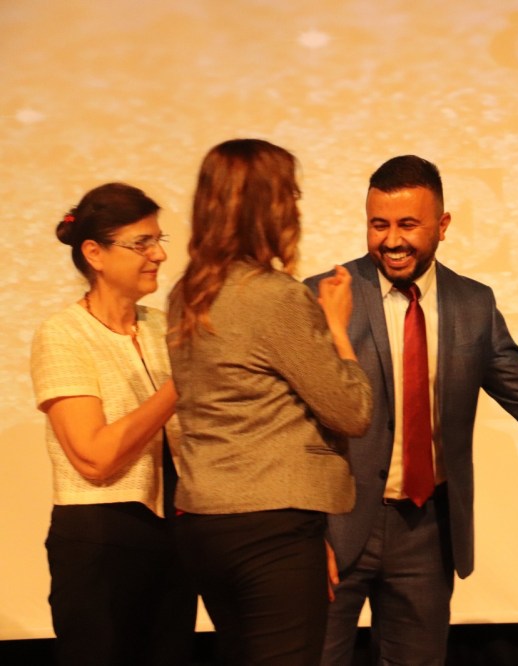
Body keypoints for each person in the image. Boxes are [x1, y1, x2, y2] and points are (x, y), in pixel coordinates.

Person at [304, 154, 518, 665]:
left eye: (407, 225)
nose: (392, 240)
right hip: (333, 528)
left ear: (443, 225)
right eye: (378, 225)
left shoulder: (474, 303)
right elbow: (289, 428)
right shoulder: (323, 297)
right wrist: (302, 532)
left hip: (427, 530)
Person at [167, 138, 373, 666]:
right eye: (291, 196)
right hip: (271, 529)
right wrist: (337, 326)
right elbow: (352, 410)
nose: (296, 210)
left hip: (205, 522)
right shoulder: (275, 296)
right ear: (267, 207)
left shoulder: (186, 296)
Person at [29, 182, 196, 665]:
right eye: (141, 243)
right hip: (100, 538)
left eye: (159, 240)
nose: (159, 255)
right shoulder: (63, 334)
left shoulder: (163, 326)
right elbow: (95, 458)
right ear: (94, 253)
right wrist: (181, 382)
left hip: (174, 533)